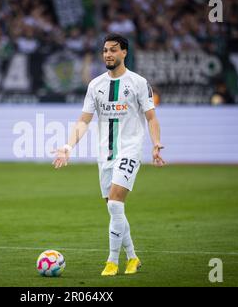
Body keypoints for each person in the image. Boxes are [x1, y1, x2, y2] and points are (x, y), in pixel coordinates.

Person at [52, 33, 165, 276]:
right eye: (105, 50)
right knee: (115, 209)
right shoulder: (96, 85)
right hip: (105, 154)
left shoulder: (138, 83)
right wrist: (68, 147)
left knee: (115, 202)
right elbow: (84, 120)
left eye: (113, 50)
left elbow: (151, 117)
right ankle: (133, 257)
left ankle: (112, 262)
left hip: (130, 150)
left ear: (124, 53)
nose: (108, 55)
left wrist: (156, 143)